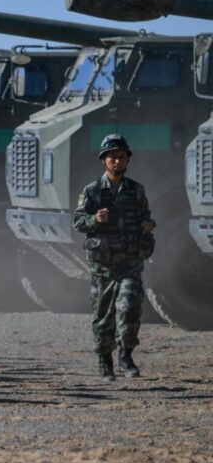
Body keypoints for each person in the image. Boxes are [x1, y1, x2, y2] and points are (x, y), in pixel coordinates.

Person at [73, 134, 155, 382]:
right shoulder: (92, 191)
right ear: (104, 161)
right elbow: (77, 221)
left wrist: (148, 224)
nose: (117, 161)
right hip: (103, 265)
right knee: (103, 316)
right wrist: (94, 219)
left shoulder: (137, 190)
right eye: (112, 157)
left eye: (121, 157)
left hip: (130, 261)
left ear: (127, 160)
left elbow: (145, 216)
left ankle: (126, 356)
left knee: (130, 308)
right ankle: (104, 360)